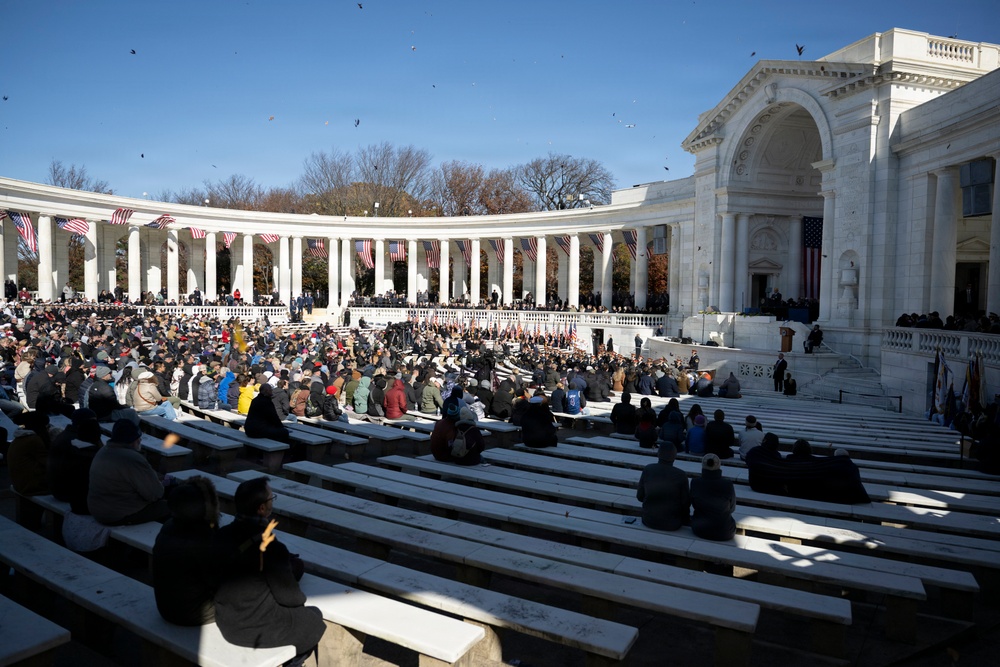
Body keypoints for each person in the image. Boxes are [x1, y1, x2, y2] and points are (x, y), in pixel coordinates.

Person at [215, 477, 326, 664]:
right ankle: (294, 663)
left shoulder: (221, 535)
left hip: (227, 620)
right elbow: (291, 598)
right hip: (256, 627)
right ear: (262, 508)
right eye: (271, 498)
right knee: (314, 617)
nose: (272, 501)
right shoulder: (272, 548)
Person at [153, 476, 224, 626]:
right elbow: (218, 582)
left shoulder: (168, 526)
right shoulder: (203, 538)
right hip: (192, 613)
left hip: (166, 607)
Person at [88, 418, 168, 525]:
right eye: (138, 437)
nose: (140, 440)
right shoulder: (132, 458)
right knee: (173, 506)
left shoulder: (103, 451)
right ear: (133, 440)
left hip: (97, 509)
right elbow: (155, 494)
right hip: (118, 514)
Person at [636, 442, 690, 531]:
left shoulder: (648, 469)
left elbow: (640, 497)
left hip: (648, 520)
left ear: (658, 454)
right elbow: (685, 503)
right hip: (672, 523)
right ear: (674, 456)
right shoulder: (681, 475)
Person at [690, 454, 736, 541]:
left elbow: (694, 504)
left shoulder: (695, 482)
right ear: (719, 465)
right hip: (725, 532)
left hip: (699, 529)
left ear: (702, 465)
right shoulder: (727, 484)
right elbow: (732, 508)